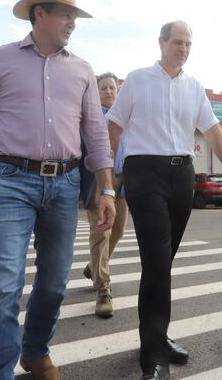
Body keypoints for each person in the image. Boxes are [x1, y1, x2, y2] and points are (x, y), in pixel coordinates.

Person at [0, 0, 115, 380]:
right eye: (66, 13)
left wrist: (106, 188)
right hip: (8, 182)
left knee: (55, 283)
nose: (73, 22)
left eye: (75, 15)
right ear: (39, 13)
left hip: (65, 184)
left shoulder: (82, 70)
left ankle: (35, 351)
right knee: (2, 288)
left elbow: (95, 135)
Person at [107, 20, 222, 380]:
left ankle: (157, 337)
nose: (183, 48)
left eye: (188, 44)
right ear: (161, 42)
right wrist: (108, 178)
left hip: (181, 176)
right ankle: (152, 355)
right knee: (157, 259)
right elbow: (114, 125)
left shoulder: (194, 86)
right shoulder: (136, 79)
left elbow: (212, 127)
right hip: (144, 173)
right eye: (178, 42)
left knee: (162, 262)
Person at [79, 72, 128, 318]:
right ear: (96, 92)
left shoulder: (126, 119)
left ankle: (93, 267)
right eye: (104, 88)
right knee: (101, 234)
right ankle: (103, 291)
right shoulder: (90, 117)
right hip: (98, 183)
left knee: (117, 232)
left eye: (112, 88)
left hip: (122, 183)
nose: (109, 91)